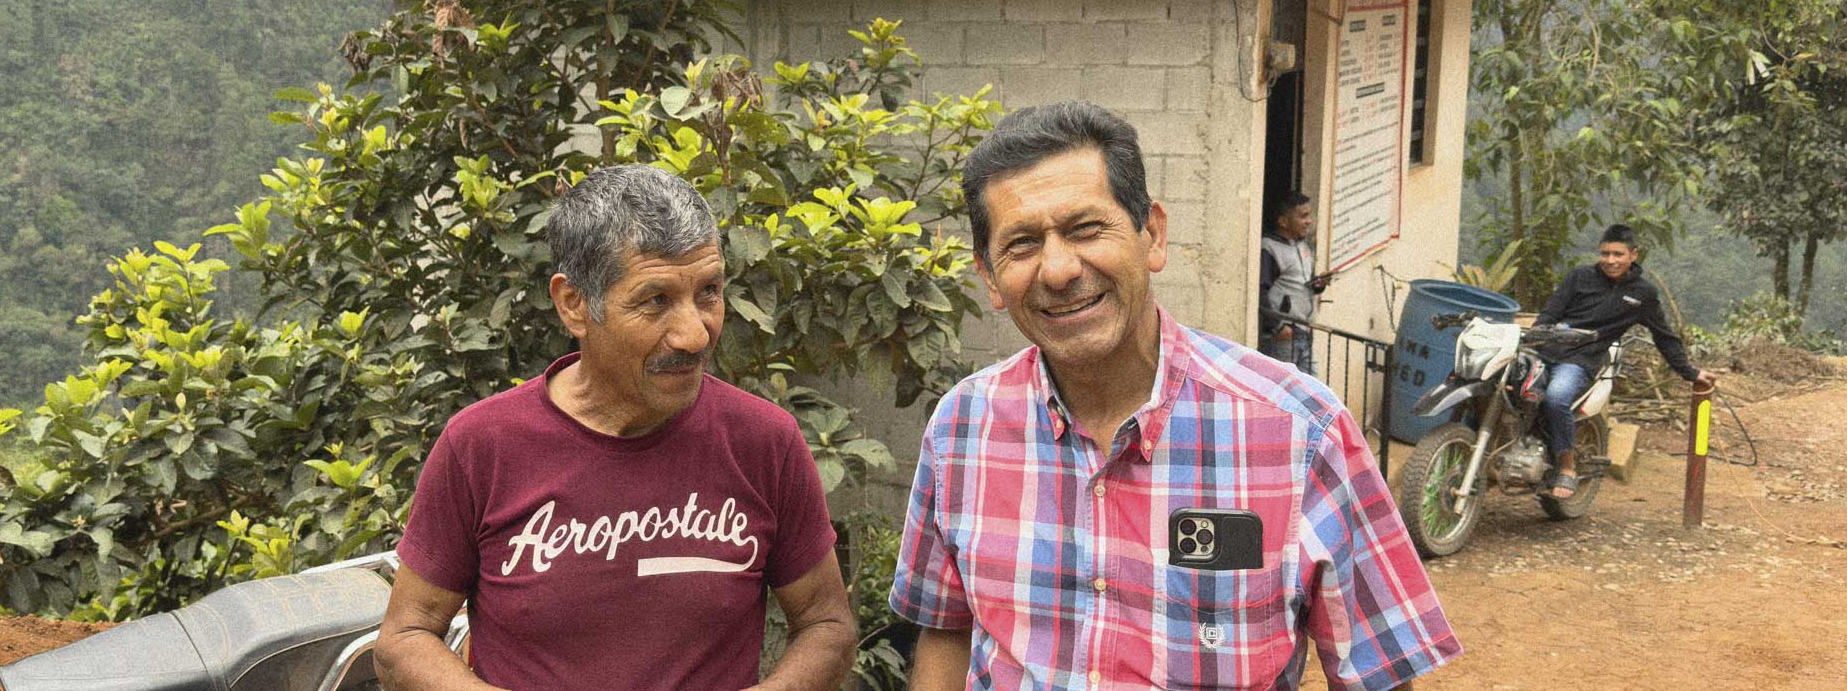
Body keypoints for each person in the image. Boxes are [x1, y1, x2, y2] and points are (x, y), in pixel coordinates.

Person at [891, 102, 1458, 691]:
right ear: (989, 278)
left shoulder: (1303, 434)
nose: (1057, 270)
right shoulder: (962, 427)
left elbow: (1377, 675)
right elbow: (946, 630)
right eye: (1022, 245)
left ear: (1152, 236)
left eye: (1086, 229)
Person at [373, 164, 856, 691]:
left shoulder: (765, 443)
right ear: (574, 304)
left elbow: (826, 627)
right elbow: (406, 638)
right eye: (656, 301)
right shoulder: (481, 445)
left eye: (709, 292)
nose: (695, 335)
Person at [1533, 223, 1717, 499]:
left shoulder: (1642, 294)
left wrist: (1690, 373)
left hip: (1582, 359)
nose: (1610, 261)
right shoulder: (1579, 277)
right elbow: (1549, 314)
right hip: (1545, 351)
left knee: (1556, 397)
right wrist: (1536, 338)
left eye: (1618, 254)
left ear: (1633, 255)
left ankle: (1567, 468)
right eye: (1605, 254)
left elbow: (1664, 337)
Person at [1258, 191, 1330, 376]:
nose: (1309, 221)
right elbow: (1260, 290)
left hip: (1304, 330)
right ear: (1283, 221)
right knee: (1283, 390)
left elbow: (1299, 285)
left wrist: (1318, 285)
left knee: (1312, 389)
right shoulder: (1269, 248)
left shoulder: (1303, 245)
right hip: (1284, 335)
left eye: (1309, 215)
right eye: (1303, 216)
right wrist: (1277, 326)